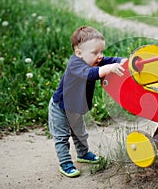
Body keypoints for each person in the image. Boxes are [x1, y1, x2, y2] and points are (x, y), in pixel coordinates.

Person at [48, 26, 126, 178]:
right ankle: (65, 163)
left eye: (101, 51)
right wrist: (109, 68)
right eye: (95, 52)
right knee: (62, 137)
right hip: (60, 108)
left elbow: (109, 61)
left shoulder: (94, 61)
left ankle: (83, 154)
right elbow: (90, 74)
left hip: (76, 109)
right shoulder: (75, 65)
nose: (100, 56)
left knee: (80, 134)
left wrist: (124, 61)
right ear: (79, 53)